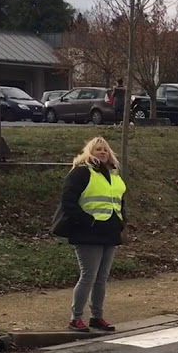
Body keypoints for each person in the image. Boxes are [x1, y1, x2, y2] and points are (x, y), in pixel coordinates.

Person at [51, 136, 126, 332]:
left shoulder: (114, 175)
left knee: (102, 278)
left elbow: (119, 202)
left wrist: (121, 222)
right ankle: (75, 318)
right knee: (88, 276)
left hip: (109, 232)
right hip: (88, 233)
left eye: (105, 149)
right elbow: (68, 201)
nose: (102, 152)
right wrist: (86, 221)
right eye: (98, 149)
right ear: (88, 153)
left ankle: (97, 316)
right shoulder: (82, 173)